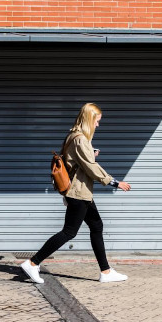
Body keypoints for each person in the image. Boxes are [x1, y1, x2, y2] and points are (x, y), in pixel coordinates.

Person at [21, 103, 132, 284]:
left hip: (82, 192)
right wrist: (114, 182)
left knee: (96, 226)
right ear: (89, 119)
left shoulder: (74, 136)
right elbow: (91, 168)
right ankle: (33, 263)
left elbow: (80, 161)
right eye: (97, 121)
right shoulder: (80, 139)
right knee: (69, 232)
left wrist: (90, 155)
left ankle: (105, 271)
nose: (98, 125)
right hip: (78, 193)